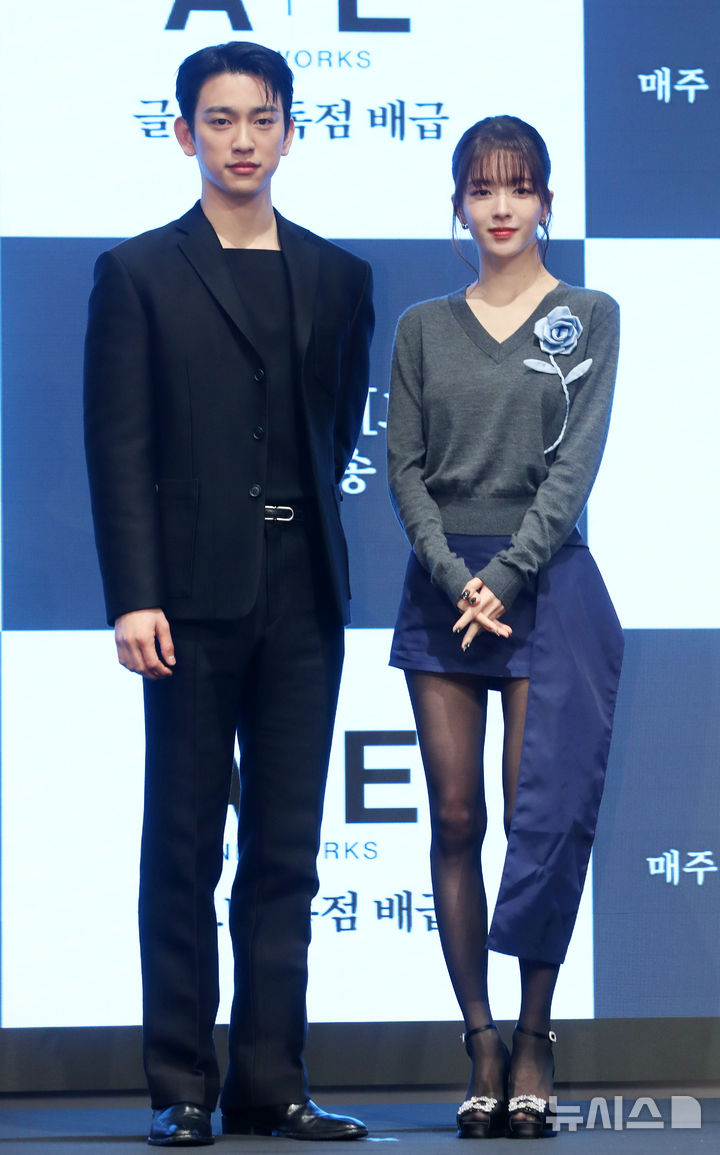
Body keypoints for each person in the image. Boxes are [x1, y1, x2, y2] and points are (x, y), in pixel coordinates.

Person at [84, 41, 373, 1147]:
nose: (242, 140)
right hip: (187, 602)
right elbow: (118, 447)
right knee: (184, 843)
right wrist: (133, 595)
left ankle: (271, 1081)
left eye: (261, 119)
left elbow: (333, 431)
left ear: (290, 131)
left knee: (287, 851)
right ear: (183, 134)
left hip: (304, 593)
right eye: (219, 120)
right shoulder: (138, 273)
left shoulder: (339, 276)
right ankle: (181, 1084)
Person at [386, 116, 623, 1140]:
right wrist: (456, 576)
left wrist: (510, 573)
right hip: (444, 587)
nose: (500, 206)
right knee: (455, 819)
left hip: (546, 581)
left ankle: (533, 1038)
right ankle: (479, 1039)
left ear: (546, 202)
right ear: (458, 203)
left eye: (518, 188)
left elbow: (575, 467)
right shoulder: (422, 327)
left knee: (540, 822)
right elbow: (402, 467)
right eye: (481, 188)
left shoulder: (589, 314)